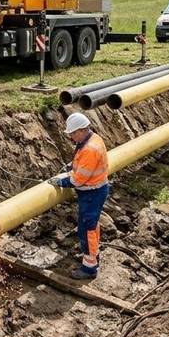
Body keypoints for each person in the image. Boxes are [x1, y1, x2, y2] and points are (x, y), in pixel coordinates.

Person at [49, 113, 109, 279]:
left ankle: (89, 269)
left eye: (73, 133)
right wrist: (71, 166)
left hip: (92, 193)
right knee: (91, 226)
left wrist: (62, 182)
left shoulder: (90, 149)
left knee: (87, 229)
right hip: (95, 191)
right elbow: (83, 161)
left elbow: (78, 180)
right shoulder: (92, 138)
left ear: (82, 130)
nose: (71, 137)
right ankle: (93, 256)